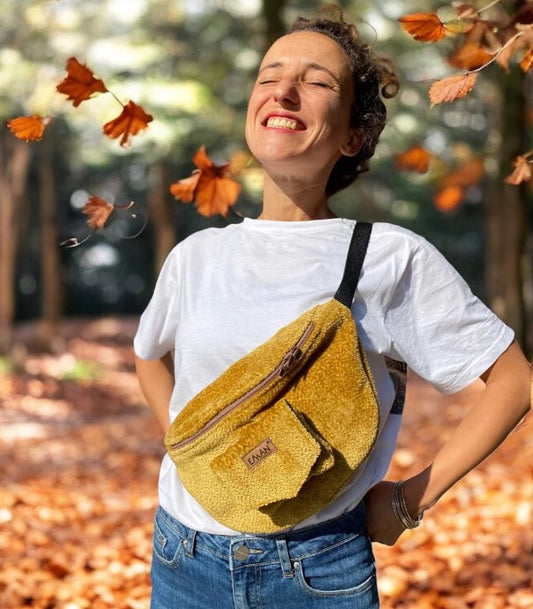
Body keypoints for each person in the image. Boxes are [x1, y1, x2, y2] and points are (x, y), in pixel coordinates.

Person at [134, 6, 531, 609]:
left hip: (316, 572)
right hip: (183, 557)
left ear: (352, 135)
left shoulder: (389, 257)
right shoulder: (197, 255)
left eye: (317, 81)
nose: (285, 91)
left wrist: (409, 501)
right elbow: (147, 357)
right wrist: (196, 453)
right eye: (269, 76)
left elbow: (514, 381)